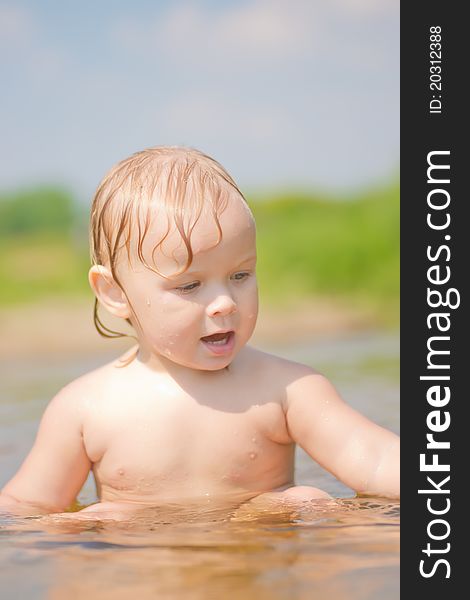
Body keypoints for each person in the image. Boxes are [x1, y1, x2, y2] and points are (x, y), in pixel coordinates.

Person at [0, 146, 399, 519]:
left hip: (256, 562)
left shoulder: (288, 389)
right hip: (142, 573)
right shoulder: (83, 409)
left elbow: (374, 458)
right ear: (114, 293)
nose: (226, 302)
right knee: (100, 520)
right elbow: (27, 504)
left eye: (240, 275)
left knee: (306, 503)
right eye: (189, 286)